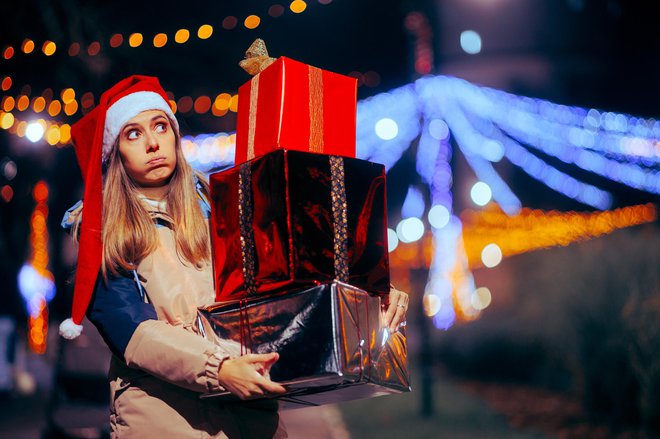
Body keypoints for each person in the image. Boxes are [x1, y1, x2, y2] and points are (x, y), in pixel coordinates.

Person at [58, 75, 409, 438]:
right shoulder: (103, 228)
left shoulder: (224, 206)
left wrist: (370, 294)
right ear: (115, 152)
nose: (152, 143)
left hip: (250, 418)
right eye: (133, 134)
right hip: (164, 421)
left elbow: (291, 280)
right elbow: (130, 331)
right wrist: (219, 368)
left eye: (160, 126)